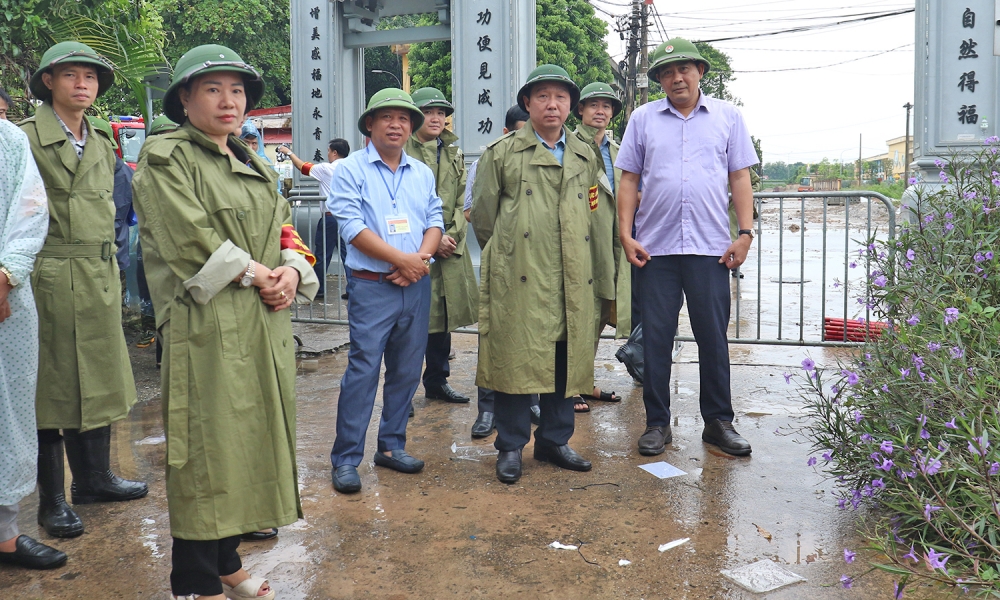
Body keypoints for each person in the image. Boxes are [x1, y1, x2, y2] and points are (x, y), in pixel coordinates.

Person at [131, 44, 318, 600]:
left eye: (236, 90)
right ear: (185, 99)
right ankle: (194, 578)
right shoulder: (166, 158)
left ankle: (227, 561)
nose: (228, 100)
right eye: (212, 89)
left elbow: (286, 227)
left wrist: (292, 270)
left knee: (247, 443)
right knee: (207, 450)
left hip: (260, 326)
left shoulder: (254, 160)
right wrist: (261, 273)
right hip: (205, 326)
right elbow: (189, 241)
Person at [20, 41, 147, 540]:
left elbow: (116, 212)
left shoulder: (100, 141)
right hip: (45, 275)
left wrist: (116, 264)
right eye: (70, 75)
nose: (82, 84)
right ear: (48, 81)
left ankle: (94, 479)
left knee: (98, 378)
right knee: (49, 388)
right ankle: (51, 499)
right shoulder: (23, 139)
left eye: (90, 77)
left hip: (96, 276)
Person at [616, 38, 757, 458]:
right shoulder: (642, 119)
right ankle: (657, 424)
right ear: (659, 78)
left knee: (713, 337)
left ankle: (718, 422)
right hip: (654, 249)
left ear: (699, 72)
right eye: (667, 71)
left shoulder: (728, 118)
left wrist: (745, 233)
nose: (677, 77)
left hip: (711, 248)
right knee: (656, 340)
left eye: (685, 69)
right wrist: (625, 234)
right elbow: (627, 180)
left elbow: (740, 178)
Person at [471, 65, 603, 484]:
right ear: (527, 104)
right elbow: (485, 219)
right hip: (521, 270)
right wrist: (514, 253)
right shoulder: (502, 153)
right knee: (516, 358)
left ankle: (554, 441)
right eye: (542, 96)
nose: (552, 104)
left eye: (560, 97)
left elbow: (592, 210)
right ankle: (510, 446)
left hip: (571, 271)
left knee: (565, 359)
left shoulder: (584, 153)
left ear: (571, 106)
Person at [328, 88, 443, 494]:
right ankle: (346, 459)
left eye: (403, 118)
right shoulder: (349, 170)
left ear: (411, 127)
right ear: (370, 125)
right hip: (372, 286)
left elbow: (435, 218)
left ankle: (392, 447)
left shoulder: (422, 172)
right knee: (363, 371)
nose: (396, 125)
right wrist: (404, 260)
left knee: (407, 370)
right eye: (387, 117)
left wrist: (420, 261)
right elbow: (351, 226)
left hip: (414, 284)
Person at [0, 119, 66, 570]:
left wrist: (6, 274)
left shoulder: (10, 140)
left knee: (9, 412)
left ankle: (4, 533)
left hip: (6, 293)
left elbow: (29, 211)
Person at [463, 105, 538, 438]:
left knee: (536, 333)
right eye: (521, 131)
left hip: (539, 264)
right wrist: (501, 248)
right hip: (503, 262)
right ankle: (488, 408)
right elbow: (474, 213)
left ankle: (532, 399)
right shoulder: (487, 161)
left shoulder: (548, 158)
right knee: (495, 334)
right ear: (508, 132)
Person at [406, 87, 478, 405]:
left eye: (441, 113)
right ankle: (402, 393)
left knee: (441, 321)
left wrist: (451, 235)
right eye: (429, 111)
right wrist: (432, 241)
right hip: (414, 249)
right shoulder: (402, 151)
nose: (436, 118)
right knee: (409, 323)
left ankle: (436, 381)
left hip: (448, 246)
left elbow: (464, 201)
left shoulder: (452, 152)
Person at [571, 82, 631, 413]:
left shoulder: (619, 151)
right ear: (580, 110)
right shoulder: (567, 145)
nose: (600, 111)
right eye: (593, 105)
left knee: (597, 314)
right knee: (578, 313)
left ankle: (583, 381)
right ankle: (570, 386)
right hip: (580, 239)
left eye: (606, 107)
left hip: (612, 241)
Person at [277, 139, 351, 299]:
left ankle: (319, 289)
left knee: (322, 254)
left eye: (329, 151)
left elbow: (302, 167)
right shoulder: (353, 169)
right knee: (348, 256)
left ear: (335, 153)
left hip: (330, 219)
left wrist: (288, 152)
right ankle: (353, 289)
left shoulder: (327, 169)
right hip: (348, 219)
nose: (328, 154)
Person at [87, 117, 134, 280]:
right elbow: (133, 217)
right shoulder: (129, 173)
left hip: (89, 258)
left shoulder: (85, 172)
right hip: (118, 254)